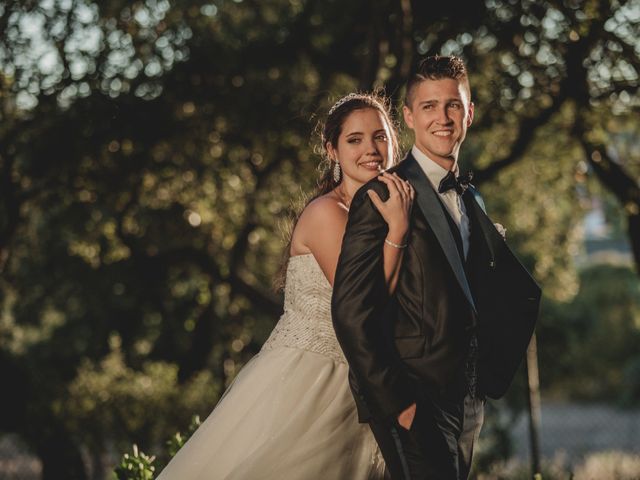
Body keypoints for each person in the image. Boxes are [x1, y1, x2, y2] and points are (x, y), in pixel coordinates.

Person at [156, 92, 414, 480]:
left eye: (380, 136)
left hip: (359, 380)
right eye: (354, 140)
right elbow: (366, 302)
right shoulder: (328, 212)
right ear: (332, 150)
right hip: (310, 382)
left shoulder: (382, 207)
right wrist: (399, 230)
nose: (370, 149)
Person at [332, 56, 541, 479]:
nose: (442, 117)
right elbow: (351, 313)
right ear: (408, 116)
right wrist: (399, 407)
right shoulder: (381, 195)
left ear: (469, 111)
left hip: (466, 399)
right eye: (428, 106)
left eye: (452, 105)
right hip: (414, 399)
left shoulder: (471, 198)